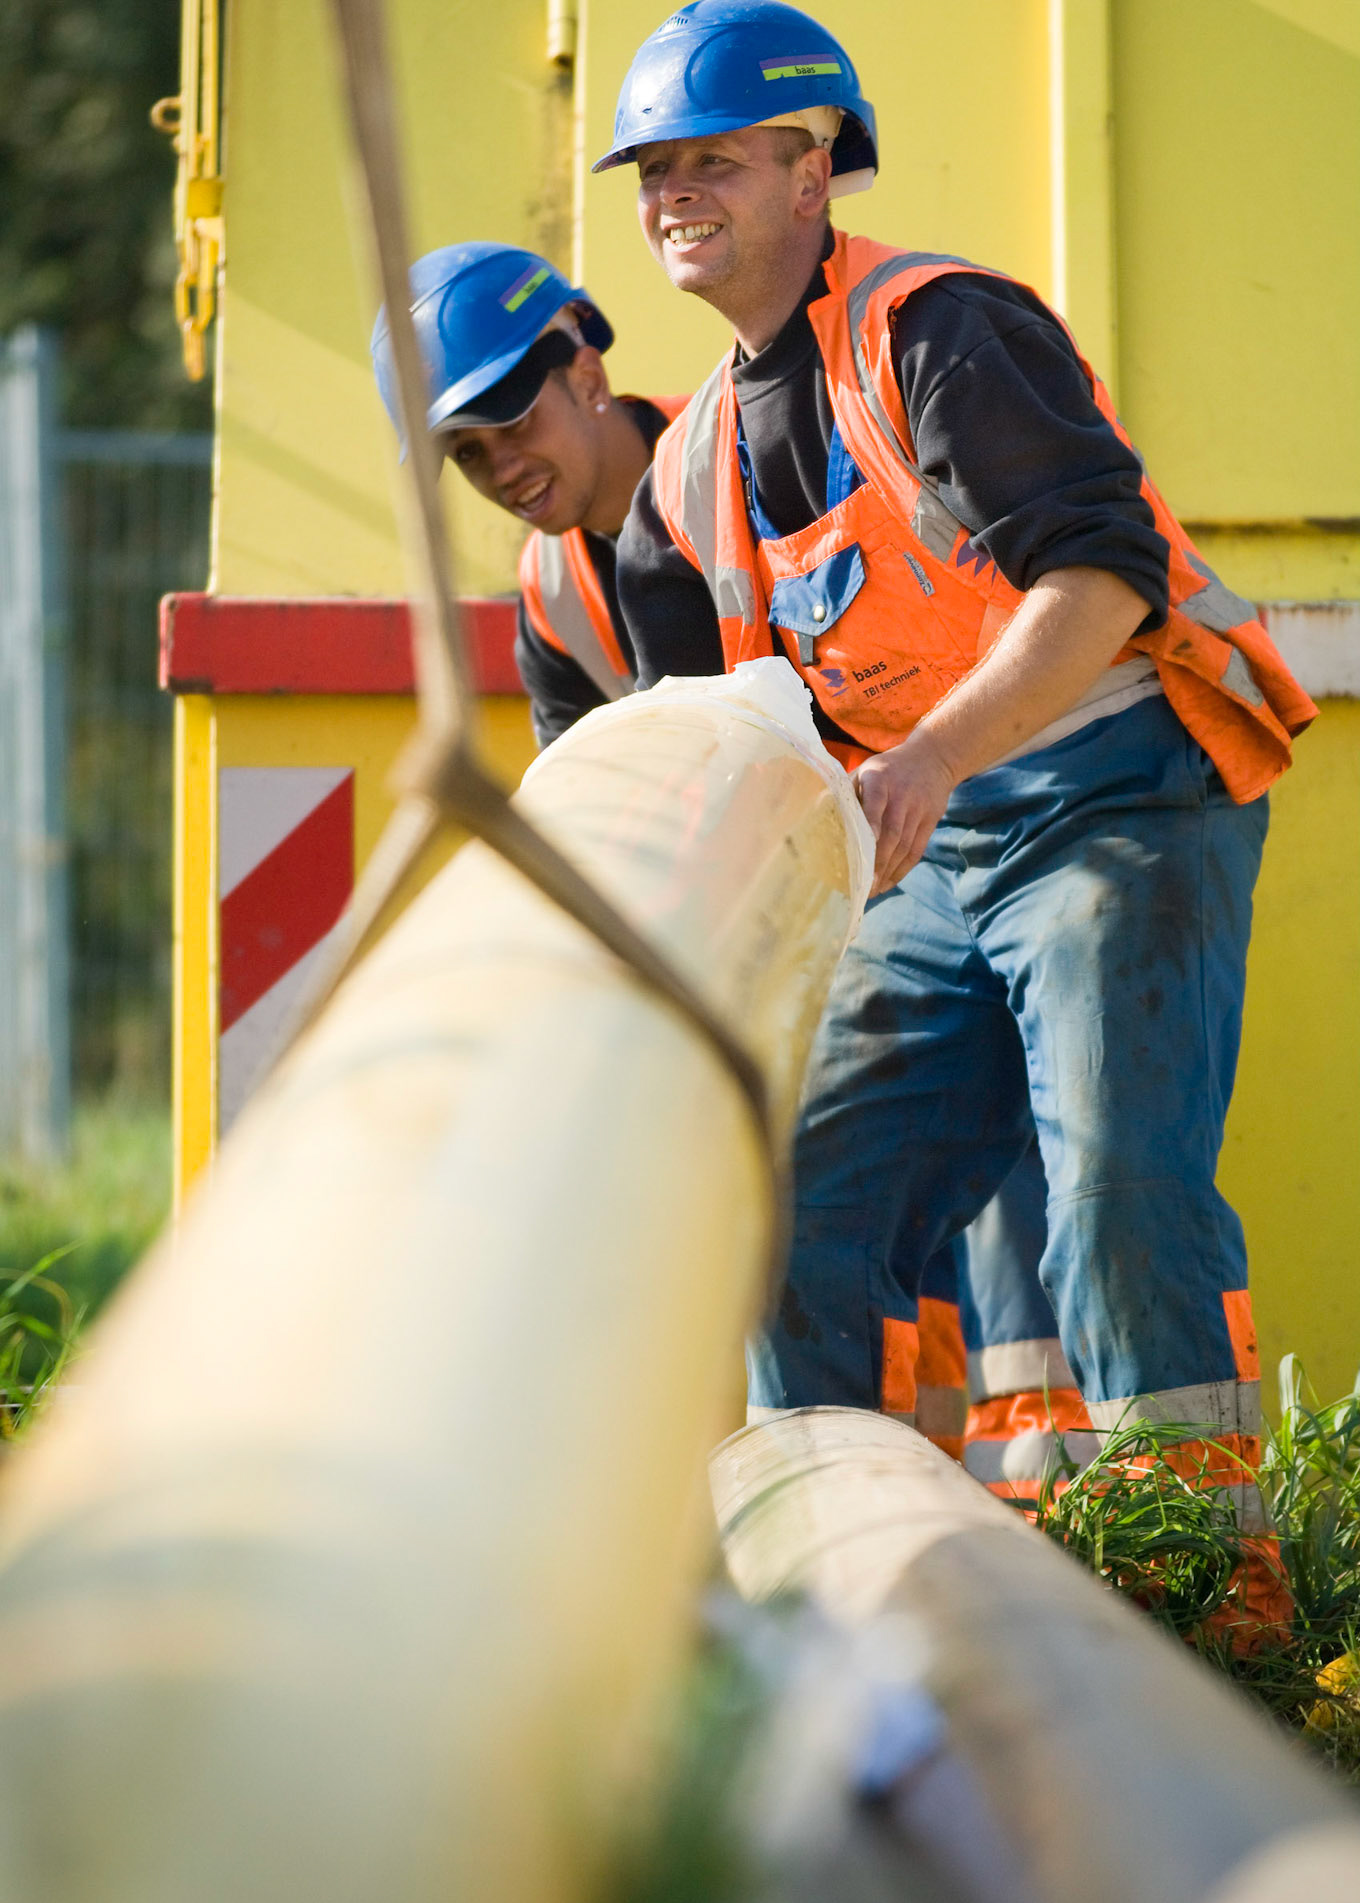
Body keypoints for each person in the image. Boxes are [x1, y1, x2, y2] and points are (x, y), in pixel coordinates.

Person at [602, 0, 1315, 1621]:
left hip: (1120, 797)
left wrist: (924, 757)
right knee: (797, 1198)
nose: (673, 196)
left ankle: (1214, 1606)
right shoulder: (690, 464)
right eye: (652, 171)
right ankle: (839, 1581)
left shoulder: (939, 331)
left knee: (1120, 1189)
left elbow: (1105, 575)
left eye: (713, 160)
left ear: (813, 168)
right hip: (934, 857)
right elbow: (703, 726)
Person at [370, 240, 684, 748]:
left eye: (514, 421)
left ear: (587, 381)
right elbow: (578, 797)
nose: (503, 469)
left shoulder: (746, 450)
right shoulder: (551, 589)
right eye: (468, 452)